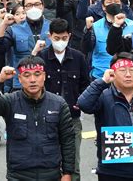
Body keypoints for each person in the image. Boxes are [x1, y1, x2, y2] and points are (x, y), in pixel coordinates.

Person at [0, 56, 75, 180]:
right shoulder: (10, 102)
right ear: (19, 79)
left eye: (37, 74)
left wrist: (67, 172)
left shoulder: (59, 104)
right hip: (18, 174)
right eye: (27, 75)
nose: (32, 80)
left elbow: (68, 140)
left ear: (44, 76)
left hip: (51, 174)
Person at [77, 52, 133, 181]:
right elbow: (83, 104)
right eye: (122, 70)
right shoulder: (103, 96)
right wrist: (102, 81)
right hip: (111, 172)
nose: (128, 74)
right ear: (113, 73)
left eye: (132, 70)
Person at [33, 18, 90, 181]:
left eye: (64, 38)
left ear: (69, 36)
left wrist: (80, 103)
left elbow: (86, 85)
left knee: (73, 164)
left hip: (72, 118)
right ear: (49, 36)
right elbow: (33, 85)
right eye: (57, 38)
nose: (60, 41)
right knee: (47, 163)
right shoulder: (42, 57)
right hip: (46, 119)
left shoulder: (78, 58)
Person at [0, 0, 52, 91]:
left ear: (43, 6)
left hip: (49, 81)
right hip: (22, 82)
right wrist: (4, 24)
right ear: (24, 8)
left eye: (37, 4)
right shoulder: (14, 29)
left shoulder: (52, 26)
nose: (33, 8)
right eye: (29, 5)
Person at [81, 0, 133, 79]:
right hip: (101, 75)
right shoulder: (95, 26)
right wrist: (88, 30)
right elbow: (86, 48)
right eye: (109, 2)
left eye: (116, 2)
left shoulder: (132, 25)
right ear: (103, 6)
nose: (113, 4)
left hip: (125, 75)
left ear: (121, 5)